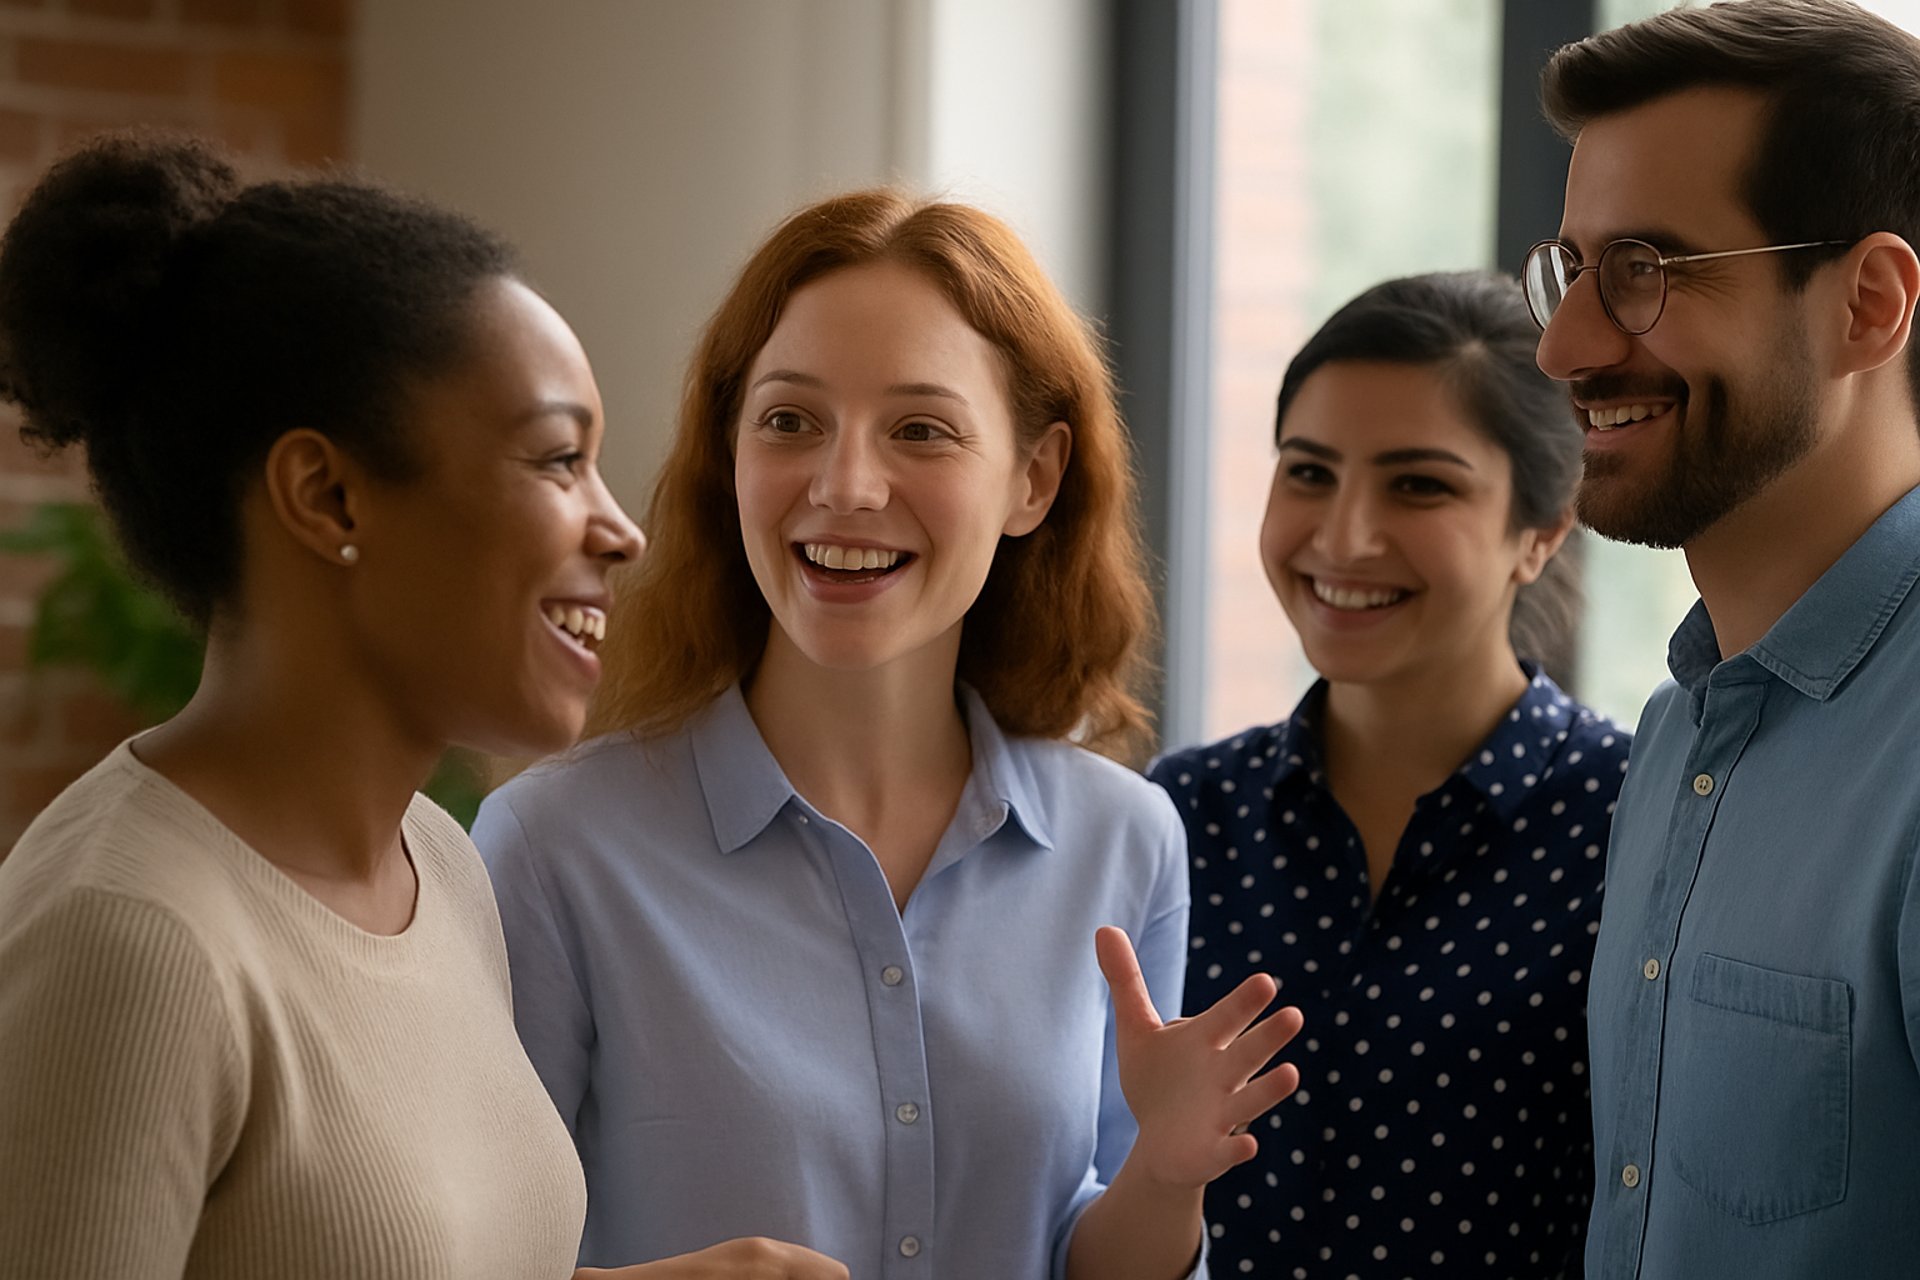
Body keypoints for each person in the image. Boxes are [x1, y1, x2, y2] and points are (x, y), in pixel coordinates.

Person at [473, 188, 1304, 1280]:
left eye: (921, 429)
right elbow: (460, 1246)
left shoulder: (1126, 836)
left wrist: (1166, 1172)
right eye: (789, 421)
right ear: (730, 453)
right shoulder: (554, 844)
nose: (845, 484)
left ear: (1034, 477)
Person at [0, 132, 753, 1280]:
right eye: (558, 459)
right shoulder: (134, 938)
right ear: (328, 492)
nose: (620, 527)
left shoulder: (439, 865)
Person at [1523, 1, 1920, 1275]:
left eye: (1643, 270)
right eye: (1572, 268)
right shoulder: (1680, 725)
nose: (1565, 343)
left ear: (1867, 303)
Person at [1149, 270, 1627, 1279]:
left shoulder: (1638, 825)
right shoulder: (1178, 817)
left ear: (1543, 528)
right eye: (1309, 472)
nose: (1343, 536)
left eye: (1419, 484)